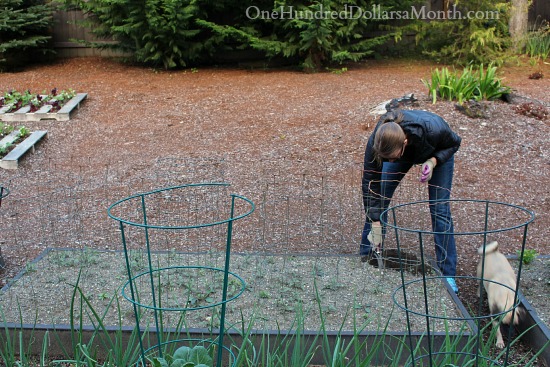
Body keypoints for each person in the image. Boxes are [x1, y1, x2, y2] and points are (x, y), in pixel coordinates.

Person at [361, 109, 461, 293]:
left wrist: (432, 162)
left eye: (390, 158)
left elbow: (454, 143)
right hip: (402, 150)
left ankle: (448, 276)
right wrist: (375, 221)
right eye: (385, 158)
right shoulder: (379, 141)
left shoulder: (435, 130)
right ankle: (366, 259)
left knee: (440, 209)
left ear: (404, 143)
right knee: (380, 198)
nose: (388, 161)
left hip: (436, 151)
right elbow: (371, 183)